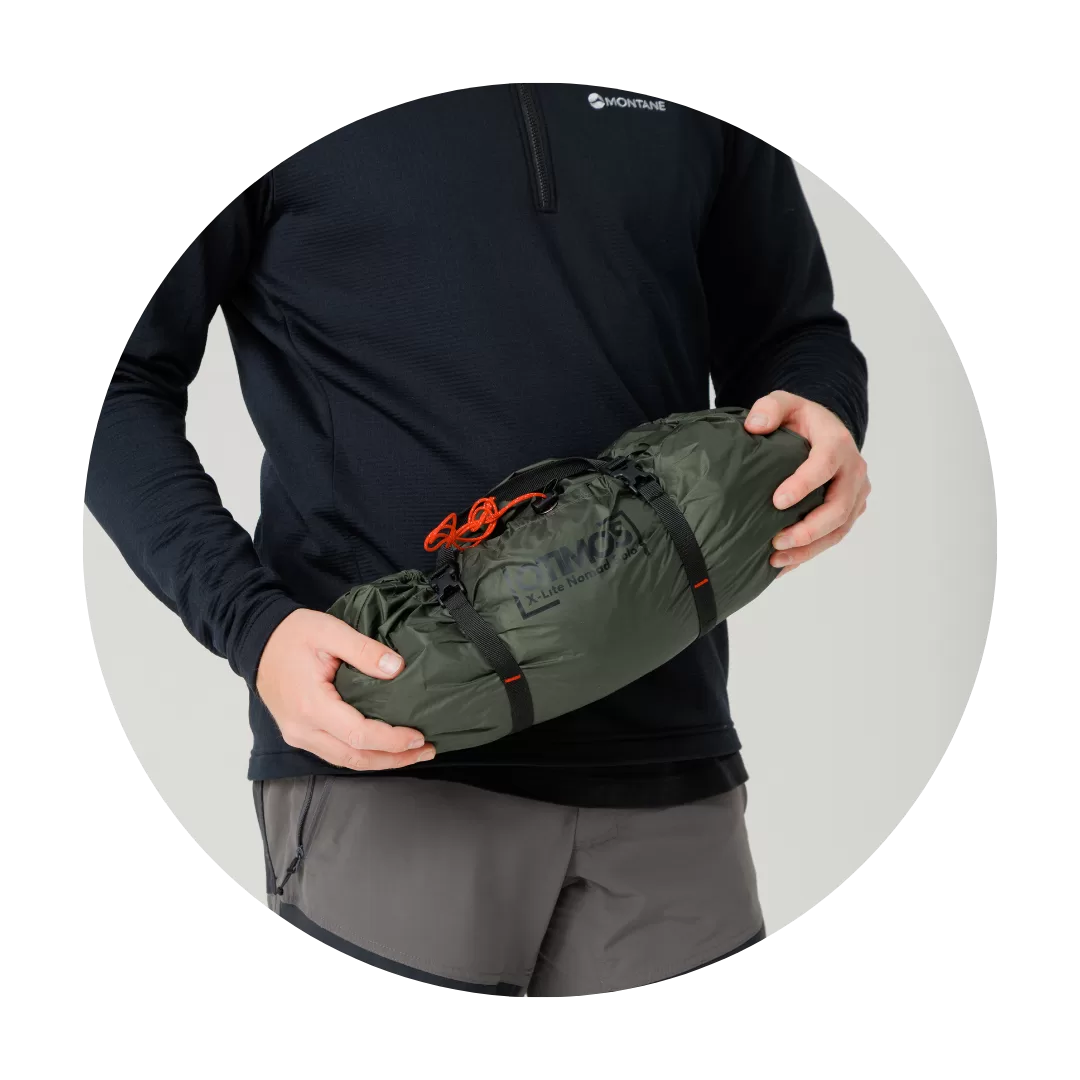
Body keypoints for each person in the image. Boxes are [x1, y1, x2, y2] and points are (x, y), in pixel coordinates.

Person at [85, 84, 870, 996]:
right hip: (388, 746)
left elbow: (792, 332)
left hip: (673, 762)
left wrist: (825, 415)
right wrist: (252, 626)